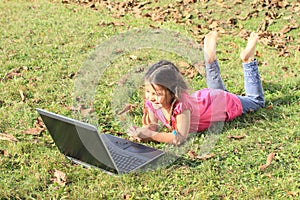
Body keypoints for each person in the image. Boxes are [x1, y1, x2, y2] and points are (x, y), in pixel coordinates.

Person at [128, 31, 265, 146]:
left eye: (157, 93)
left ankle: (248, 61)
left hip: (222, 103)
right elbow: (152, 125)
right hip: (208, 99)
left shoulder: (181, 107)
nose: (151, 97)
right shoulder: (152, 102)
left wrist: (152, 135)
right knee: (219, 92)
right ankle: (210, 61)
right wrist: (142, 131)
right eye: (148, 92)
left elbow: (179, 137)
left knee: (256, 101)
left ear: (172, 91)